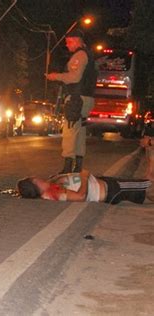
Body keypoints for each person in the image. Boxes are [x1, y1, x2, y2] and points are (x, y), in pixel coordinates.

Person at [46, 29, 97, 174]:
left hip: (76, 98)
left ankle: (67, 167)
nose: (67, 45)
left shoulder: (79, 55)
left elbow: (74, 77)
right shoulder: (90, 55)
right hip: (86, 98)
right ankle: (78, 166)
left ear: (75, 40)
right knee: (79, 131)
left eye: (68, 42)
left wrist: (56, 76)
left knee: (69, 131)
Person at [17, 169, 152, 204]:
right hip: (110, 190)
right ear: (35, 183)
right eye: (34, 178)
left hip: (107, 186)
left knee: (144, 194)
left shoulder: (50, 187)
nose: (37, 176)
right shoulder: (52, 192)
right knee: (148, 186)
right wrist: (84, 177)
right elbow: (80, 197)